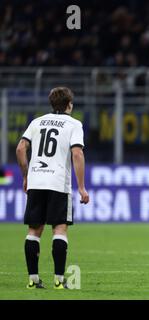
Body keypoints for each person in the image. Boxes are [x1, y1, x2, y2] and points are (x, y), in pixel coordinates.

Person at [16, 87, 89, 289]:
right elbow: (77, 154)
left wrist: (25, 176)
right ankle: (58, 279)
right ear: (69, 105)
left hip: (36, 181)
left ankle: (33, 279)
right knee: (60, 229)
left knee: (34, 230)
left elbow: (21, 149)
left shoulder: (36, 122)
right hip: (58, 183)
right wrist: (82, 187)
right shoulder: (74, 124)